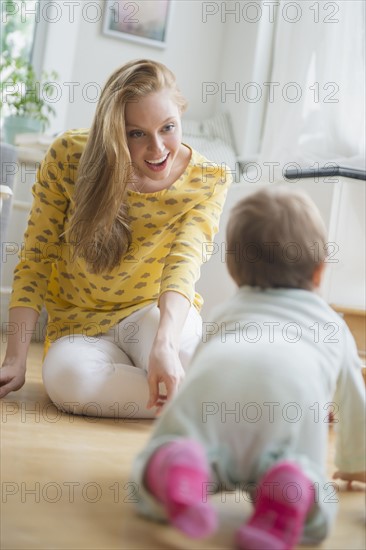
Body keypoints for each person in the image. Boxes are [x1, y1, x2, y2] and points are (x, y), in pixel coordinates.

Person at [131, 186, 365, 549]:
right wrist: (355, 461)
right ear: (319, 272)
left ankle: (181, 465)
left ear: (234, 272)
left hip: (215, 400)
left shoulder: (226, 314)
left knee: (178, 450)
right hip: (286, 412)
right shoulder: (333, 327)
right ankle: (289, 486)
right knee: (311, 491)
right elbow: (354, 403)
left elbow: (201, 368)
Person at [0, 59, 232, 418]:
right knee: (70, 381)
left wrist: (165, 344)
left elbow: (183, 263)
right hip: (79, 329)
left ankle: (198, 391)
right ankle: (204, 400)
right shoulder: (68, 157)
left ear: (180, 113)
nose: (157, 149)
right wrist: (14, 360)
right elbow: (35, 259)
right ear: (113, 131)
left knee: (183, 355)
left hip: (151, 314)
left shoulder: (208, 179)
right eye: (136, 133)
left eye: (168, 127)